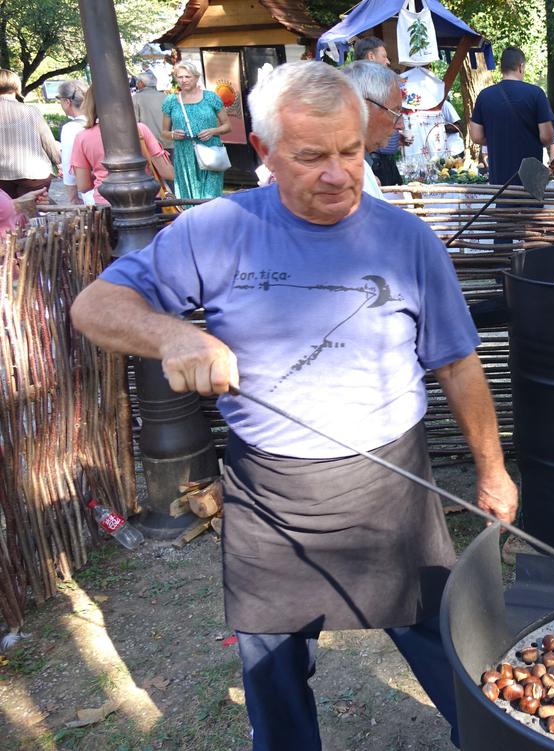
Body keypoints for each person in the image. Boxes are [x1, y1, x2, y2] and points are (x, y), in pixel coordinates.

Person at [70, 61, 518, 751]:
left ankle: (492, 740)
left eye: (350, 151)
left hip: (390, 481)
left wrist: (491, 469)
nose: (339, 174)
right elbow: (94, 307)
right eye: (312, 157)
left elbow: (458, 363)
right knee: (272, 664)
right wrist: (172, 333)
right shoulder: (215, 230)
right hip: (271, 489)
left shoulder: (407, 241)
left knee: (445, 638)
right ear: (264, 149)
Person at [71, 89, 173, 206]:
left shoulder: (82, 138)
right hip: (147, 199)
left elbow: (83, 186)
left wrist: (101, 173)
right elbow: (166, 172)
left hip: (107, 202)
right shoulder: (139, 130)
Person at [469, 47, 554, 185]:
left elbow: (476, 136)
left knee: (504, 205)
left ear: (502, 68)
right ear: (521, 67)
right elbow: (547, 136)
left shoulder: (484, 96)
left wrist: (499, 140)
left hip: (499, 171)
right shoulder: (536, 93)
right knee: (531, 206)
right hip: (531, 174)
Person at [162, 62, 231, 199]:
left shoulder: (211, 98)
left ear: (196, 77)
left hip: (210, 152)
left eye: (188, 76)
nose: (184, 80)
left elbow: (227, 126)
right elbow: (164, 133)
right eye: (180, 77)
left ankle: (212, 220)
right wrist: (173, 134)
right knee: (188, 197)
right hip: (184, 155)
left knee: (210, 196)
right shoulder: (171, 101)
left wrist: (213, 131)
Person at [342, 60, 407, 199]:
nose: (400, 125)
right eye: (395, 112)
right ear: (362, 107)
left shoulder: (359, 165)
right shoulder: (344, 172)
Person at [0, 68, 60, 200]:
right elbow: (47, 141)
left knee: (5, 215)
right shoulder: (31, 111)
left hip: (2, 175)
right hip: (34, 172)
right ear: (16, 86)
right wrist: (58, 162)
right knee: (32, 213)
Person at [56, 80, 89, 205]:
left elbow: (69, 165)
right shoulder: (102, 120)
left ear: (67, 102)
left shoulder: (70, 129)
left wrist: (73, 197)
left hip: (92, 193)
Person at [132, 70, 167, 146]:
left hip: (149, 144)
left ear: (141, 83)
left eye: (138, 82)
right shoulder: (166, 97)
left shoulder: (136, 98)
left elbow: (135, 123)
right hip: (169, 142)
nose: (137, 84)